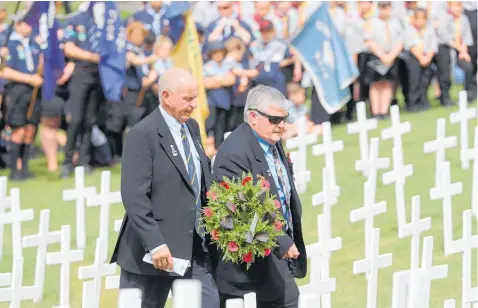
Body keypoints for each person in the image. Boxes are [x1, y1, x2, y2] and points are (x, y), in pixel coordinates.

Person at [110, 68, 219, 308]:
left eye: (195, 97)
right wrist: (156, 244)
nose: (194, 105)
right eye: (187, 99)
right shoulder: (142, 134)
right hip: (153, 255)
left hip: (194, 247)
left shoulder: (191, 128)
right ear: (166, 96)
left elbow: (199, 180)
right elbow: (134, 196)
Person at [213, 84, 307, 308]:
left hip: (277, 255)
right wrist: (281, 240)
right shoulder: (234, 153)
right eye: (275, 119)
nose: (282, 126)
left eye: (284, 119)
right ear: (253, 116)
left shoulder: (269, 140)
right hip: (250, 266)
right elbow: (239, 209)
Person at [3, 11, 44, 180]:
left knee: (30, 129)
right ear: (18, 25)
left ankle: (25, 167)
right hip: (18, 89)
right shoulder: (10, 44)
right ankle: (15, 169)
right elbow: (4, 70)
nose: (29, 27)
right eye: (26, 24)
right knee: (18, 129)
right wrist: (29, 78)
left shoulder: (34, 44)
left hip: (34, 91)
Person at [404, 8, 437, 112]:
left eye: (423, 19)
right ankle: (413, 103)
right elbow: (411, 45)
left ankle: (423, 100)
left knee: (425, 80)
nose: (420, 22)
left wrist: (427, 57)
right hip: (414, 57)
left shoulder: (429, 29)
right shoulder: (409, 29)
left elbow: (433, 45)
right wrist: (421, 58)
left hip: (427, 56)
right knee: (415, 80)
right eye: (418, 19)